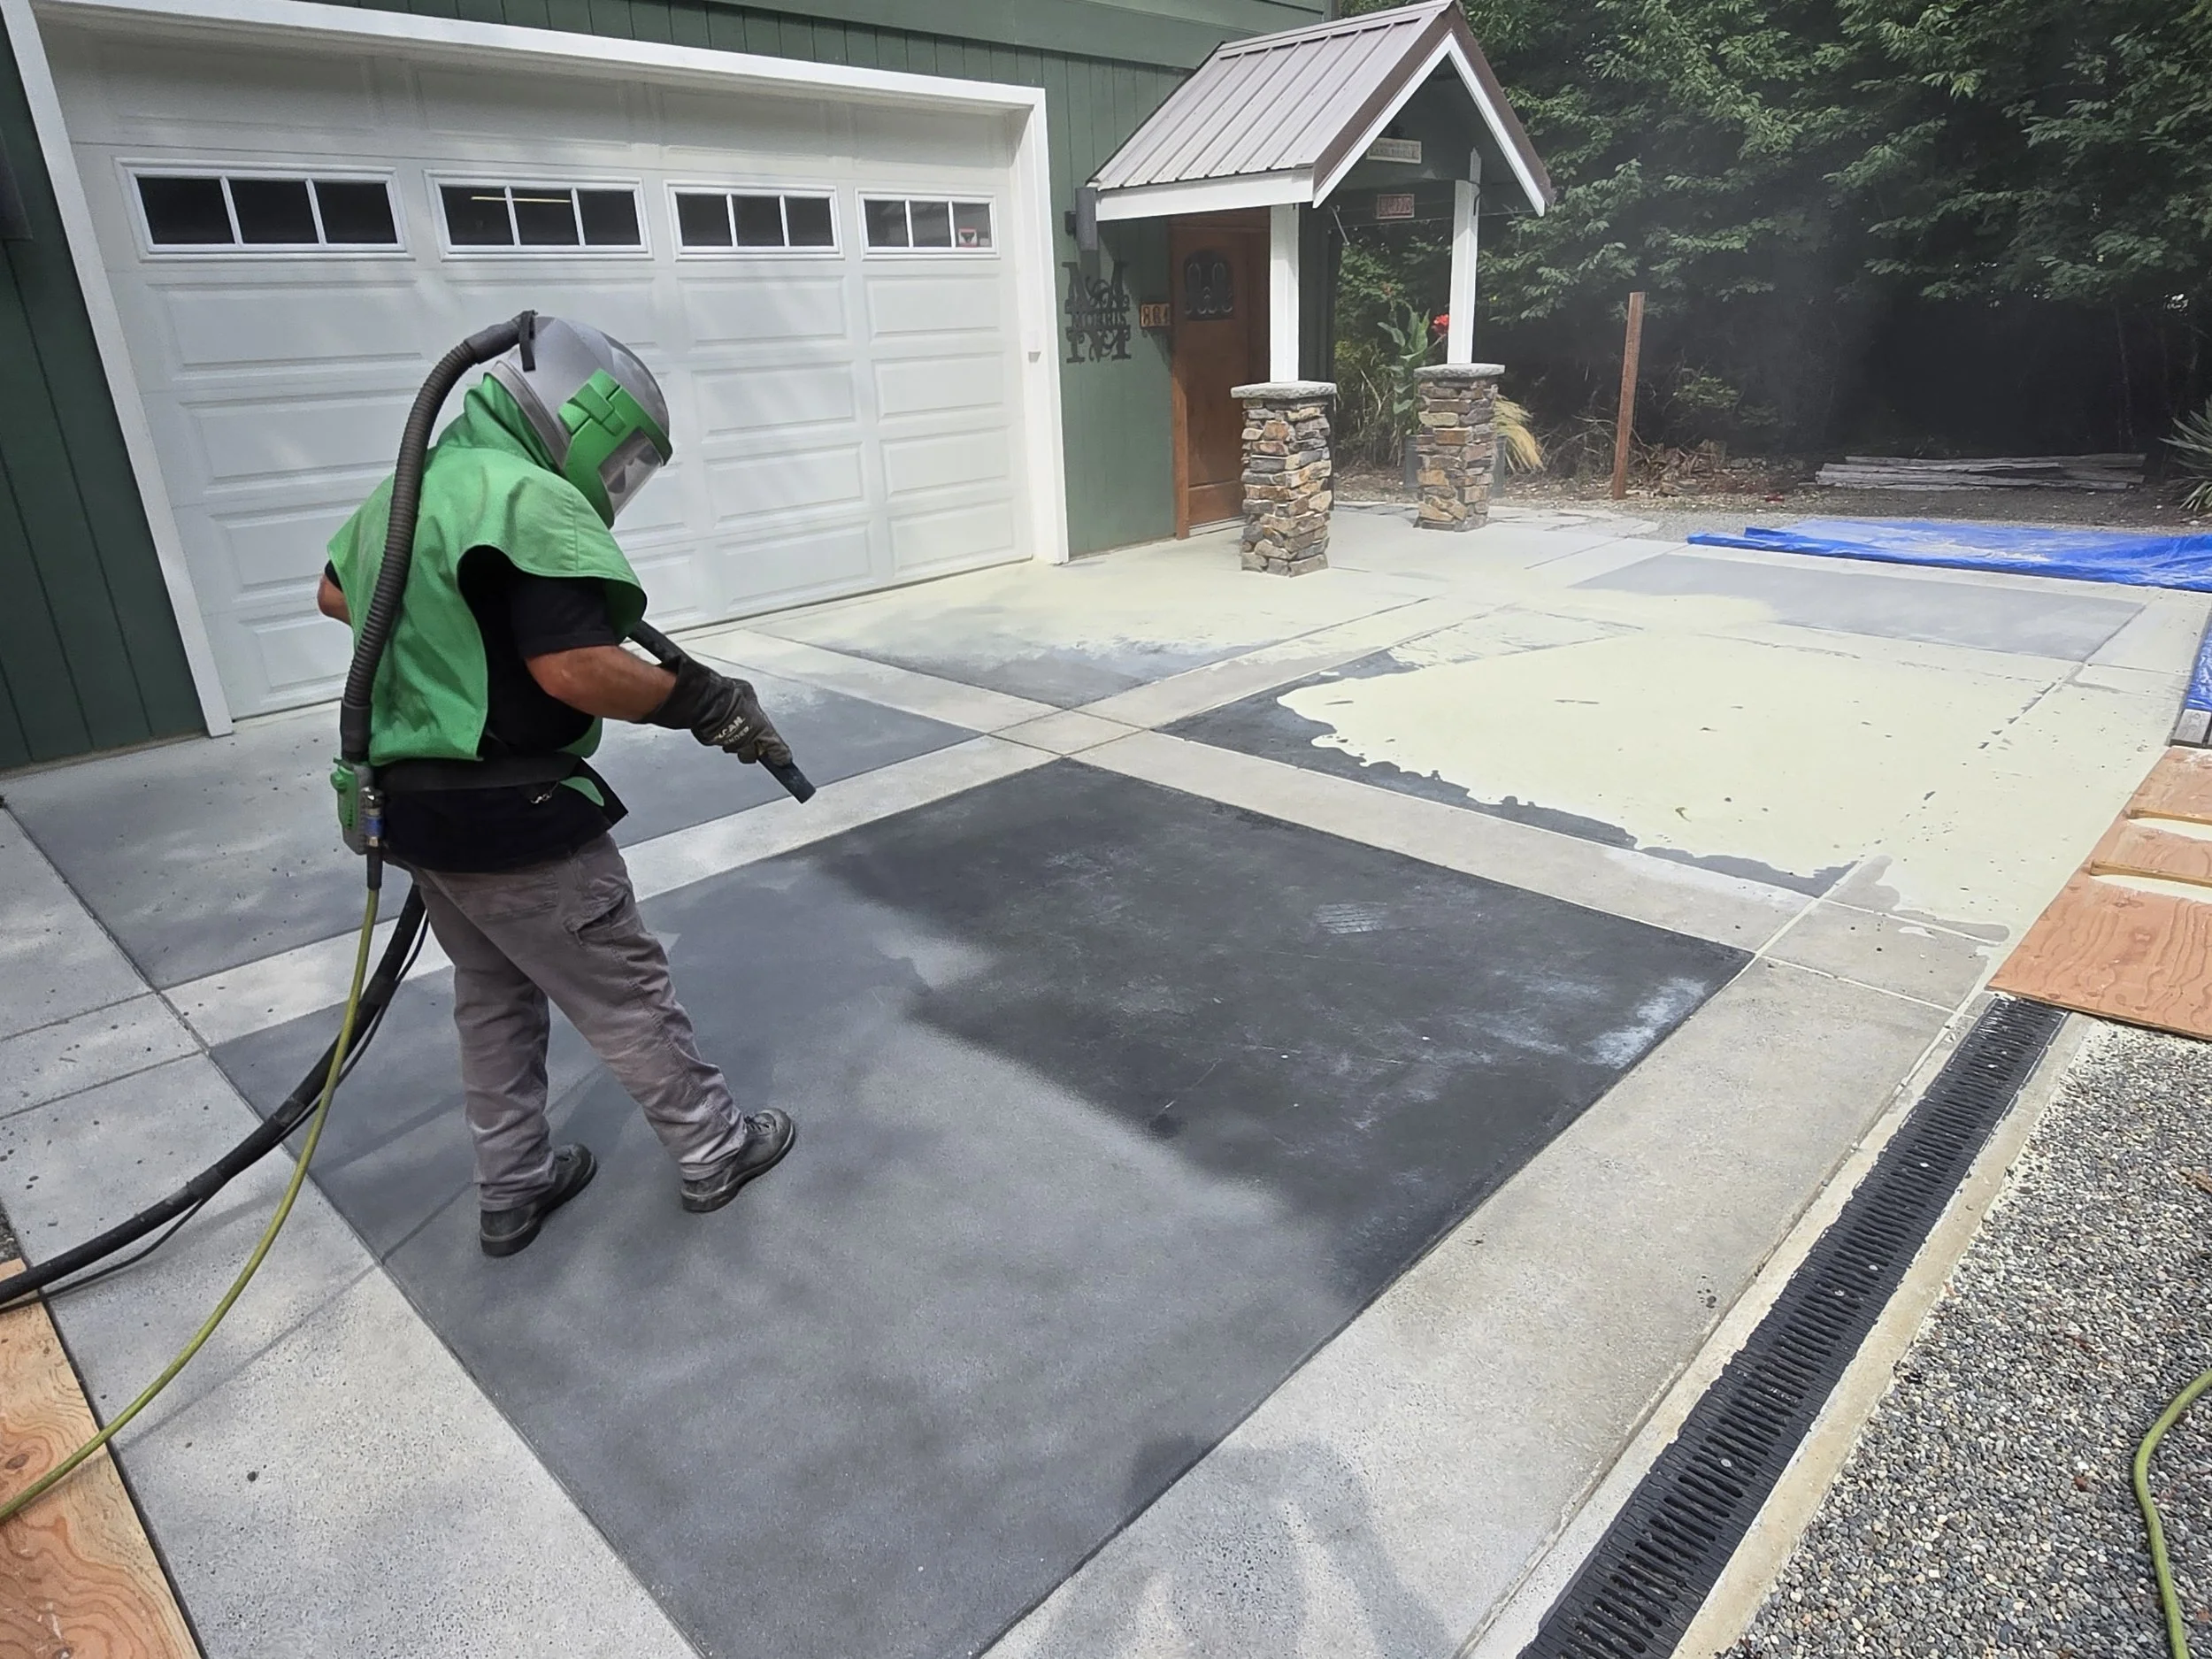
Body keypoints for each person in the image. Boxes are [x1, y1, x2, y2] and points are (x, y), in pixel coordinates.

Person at [319, 316, 795, 1257]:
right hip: (517, 817)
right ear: (581, 416)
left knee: (492, 995)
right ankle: (714, 1149)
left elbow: (337, 594)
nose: (617, 481)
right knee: (624, 992)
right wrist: (699, 699)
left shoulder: (413, 491)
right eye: (621, 459)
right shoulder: (524, 494)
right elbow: (576, 669)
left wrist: (449, 633)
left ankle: (513, 1185)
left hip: (417, 811)